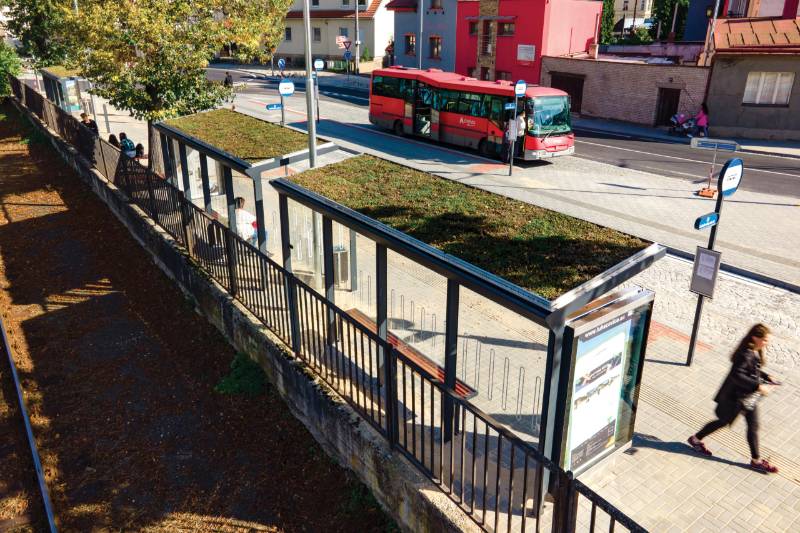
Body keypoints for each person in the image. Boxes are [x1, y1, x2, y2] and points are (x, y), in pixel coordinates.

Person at [688, 324, 781, 473]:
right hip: (735, 398)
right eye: (764, 340)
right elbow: (737, 374)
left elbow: (751, 370)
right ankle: (696, 439)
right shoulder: (745, 354)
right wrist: (758, 386)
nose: (767, 343)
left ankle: (756, 460)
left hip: (747, 396)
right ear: (755, 338)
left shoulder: (753, 350)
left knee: (753, 426)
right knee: (722, 422)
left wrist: (766, 376)